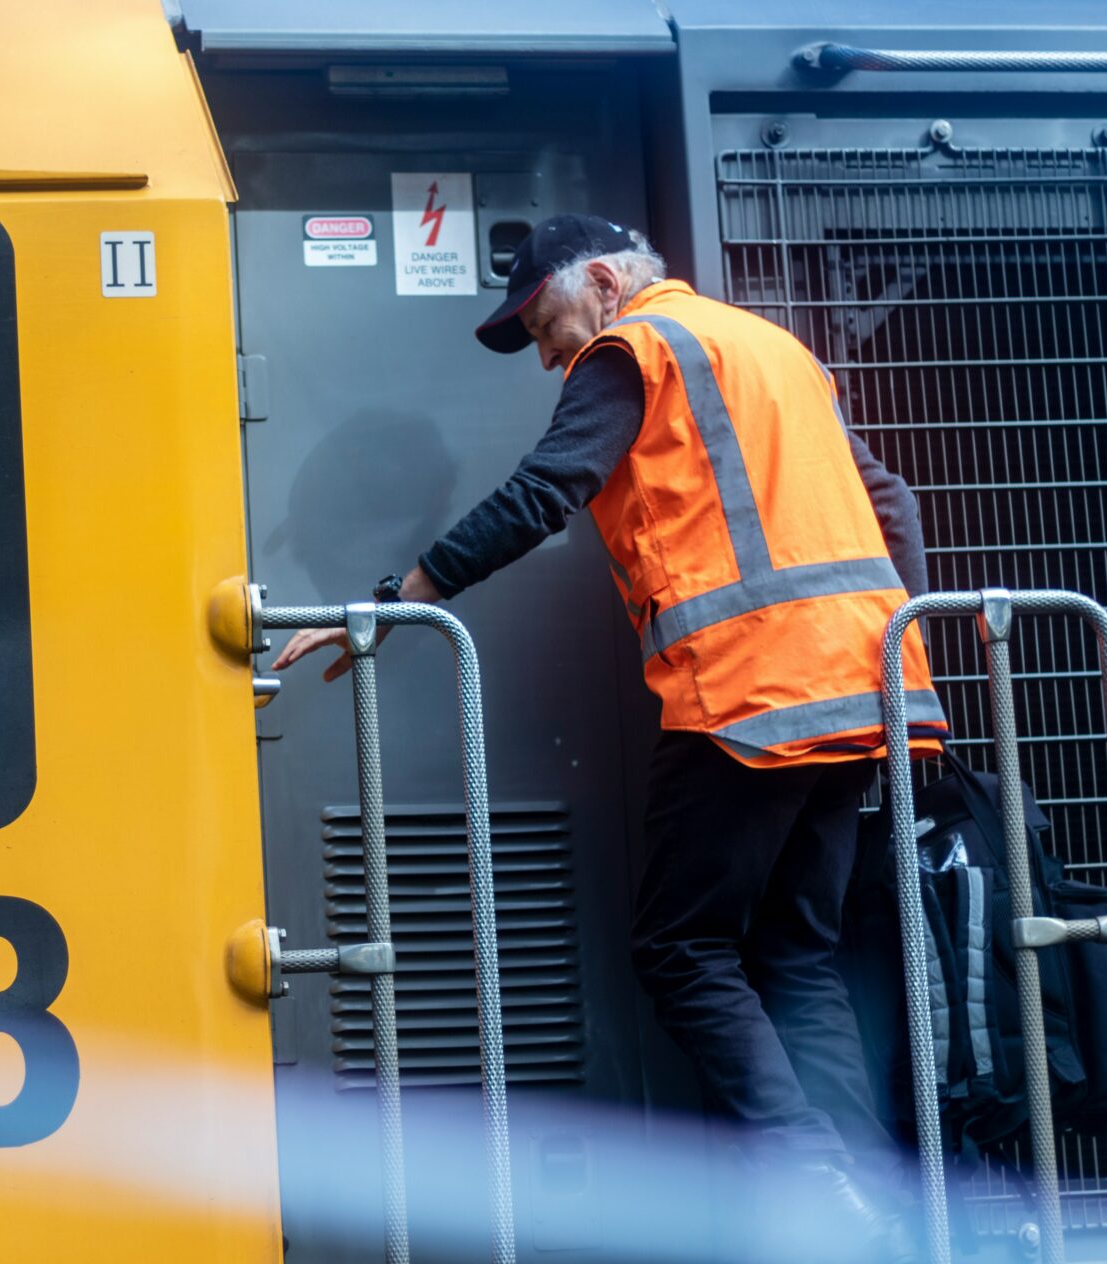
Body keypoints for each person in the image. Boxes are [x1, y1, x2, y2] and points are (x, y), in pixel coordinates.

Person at [272, 214, 949, 1260]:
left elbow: (547, 490)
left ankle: (813, 1176)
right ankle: (870, 1212)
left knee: (679, 948)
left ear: (598, 279)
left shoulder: (631, 349)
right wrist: (874, 639)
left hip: (748, 697)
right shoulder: (773, 348)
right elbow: (888, 499)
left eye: (543, 323)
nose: (548, 355)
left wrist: (393, 602)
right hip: (866, 694)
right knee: (797, 956)